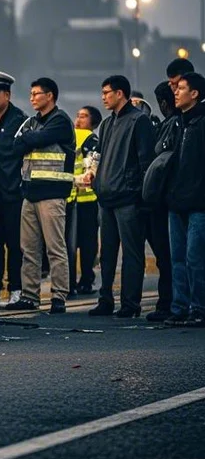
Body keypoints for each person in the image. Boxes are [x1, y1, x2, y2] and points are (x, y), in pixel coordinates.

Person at [88, 75, 155, 318]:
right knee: (106, 255)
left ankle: (130, 304)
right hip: (106, 199)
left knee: (132, 254)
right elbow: (100, 157)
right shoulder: (106, 124)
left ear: (120, 94)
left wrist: (138, 193)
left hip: (128, 199)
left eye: (107, 92)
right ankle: (105, 300)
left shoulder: (140, 121)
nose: (103, 97)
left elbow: (145, 162)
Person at [5, 78, 75, 314]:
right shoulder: (32, 121)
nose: (32, 97)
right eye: (31, 93)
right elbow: (15, 145)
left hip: (52, 194)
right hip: (30, 193)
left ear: (50, 96)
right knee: (29, 249)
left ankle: (59, 296)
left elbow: (35, 139)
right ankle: (30, 295)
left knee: (55, 248)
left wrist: (28, 139)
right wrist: (27, 139)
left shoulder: (61, 121)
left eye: (37, 93)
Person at [164, 72, 205, 327]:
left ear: (195, 94)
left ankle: (199, 308)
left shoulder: (201, 123)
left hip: (199, 203)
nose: (175, 92)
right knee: (177, 259)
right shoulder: (177, 123)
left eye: (181, 88)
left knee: (195, 259)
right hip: (175, 202)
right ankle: (180, 308)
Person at [0, 70, 28, 307]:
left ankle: (16, 288)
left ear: (7, 95)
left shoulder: (20, 120)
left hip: (13, 191)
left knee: (14, 243)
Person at [146, 81, 182, 322]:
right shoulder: (179, 124)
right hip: (167, 200)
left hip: (165, 200)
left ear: (162, 103)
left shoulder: (173, 126)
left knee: (168, 257)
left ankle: (169, 302)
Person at [71, 106, 101, 296]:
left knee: (87, 244)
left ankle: (86, 279)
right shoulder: (69, 134)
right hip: (70, 199)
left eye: (83, 116)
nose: (78, 119)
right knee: (69, 244)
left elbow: (91, 170)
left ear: (93, 122)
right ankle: (70, 280)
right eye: (78, 115)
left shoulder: (92, 139)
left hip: (87, 200)